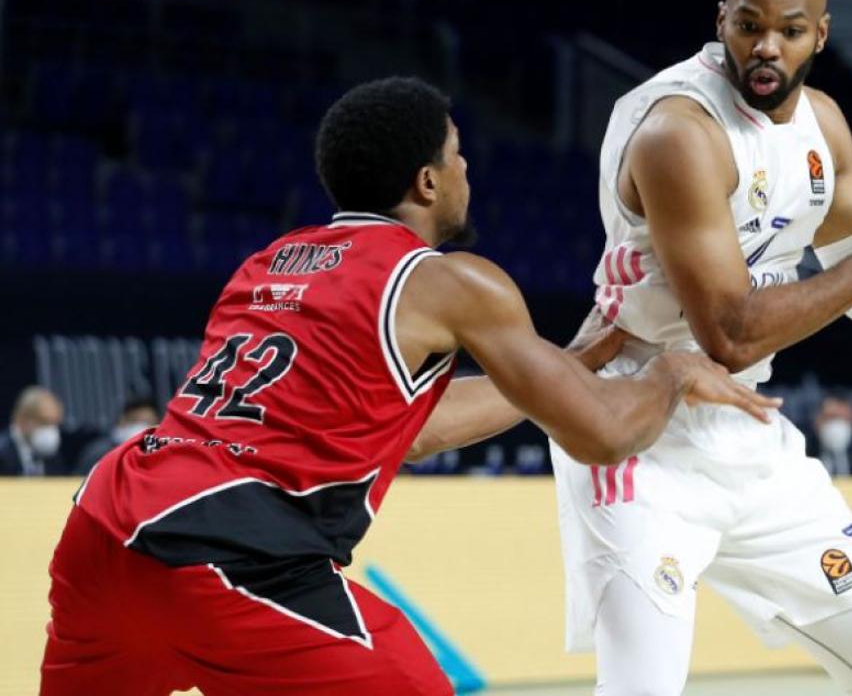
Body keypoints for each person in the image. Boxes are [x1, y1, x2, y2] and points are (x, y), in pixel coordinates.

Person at [40, 77, 776, 696]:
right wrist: (673, 371)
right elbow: (605, 434)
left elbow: (413, 429)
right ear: (427, 181)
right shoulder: (451, 281)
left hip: (103, 532)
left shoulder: (272, 262)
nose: (466, 172)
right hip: (231, 557)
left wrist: (568, 367)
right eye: (457, 157)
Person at [549, 0, 852, 693]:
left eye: (789, 30)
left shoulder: (822, 128)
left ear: (821, 35)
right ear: (721, 20)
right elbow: (729, 335)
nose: (766, 46)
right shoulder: (679, 131)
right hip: (635, 426)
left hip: (747, 430)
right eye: (749, 24)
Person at [74, 396, 160, 475]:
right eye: (135, 421)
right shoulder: (99, 453)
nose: (141, 427)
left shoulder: (162, 455)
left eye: (148, 423)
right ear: (121, 421)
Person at [0, 386, 67, 476]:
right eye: (44, 423)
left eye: (55, 424)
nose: (50, 431)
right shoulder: (3, 455)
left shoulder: (52, 456)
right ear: (21, 419)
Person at [812, 392, 852, 477]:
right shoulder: (801, 456)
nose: (837, 425)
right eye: (831, 418)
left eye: (844, 419)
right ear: (817, 421)